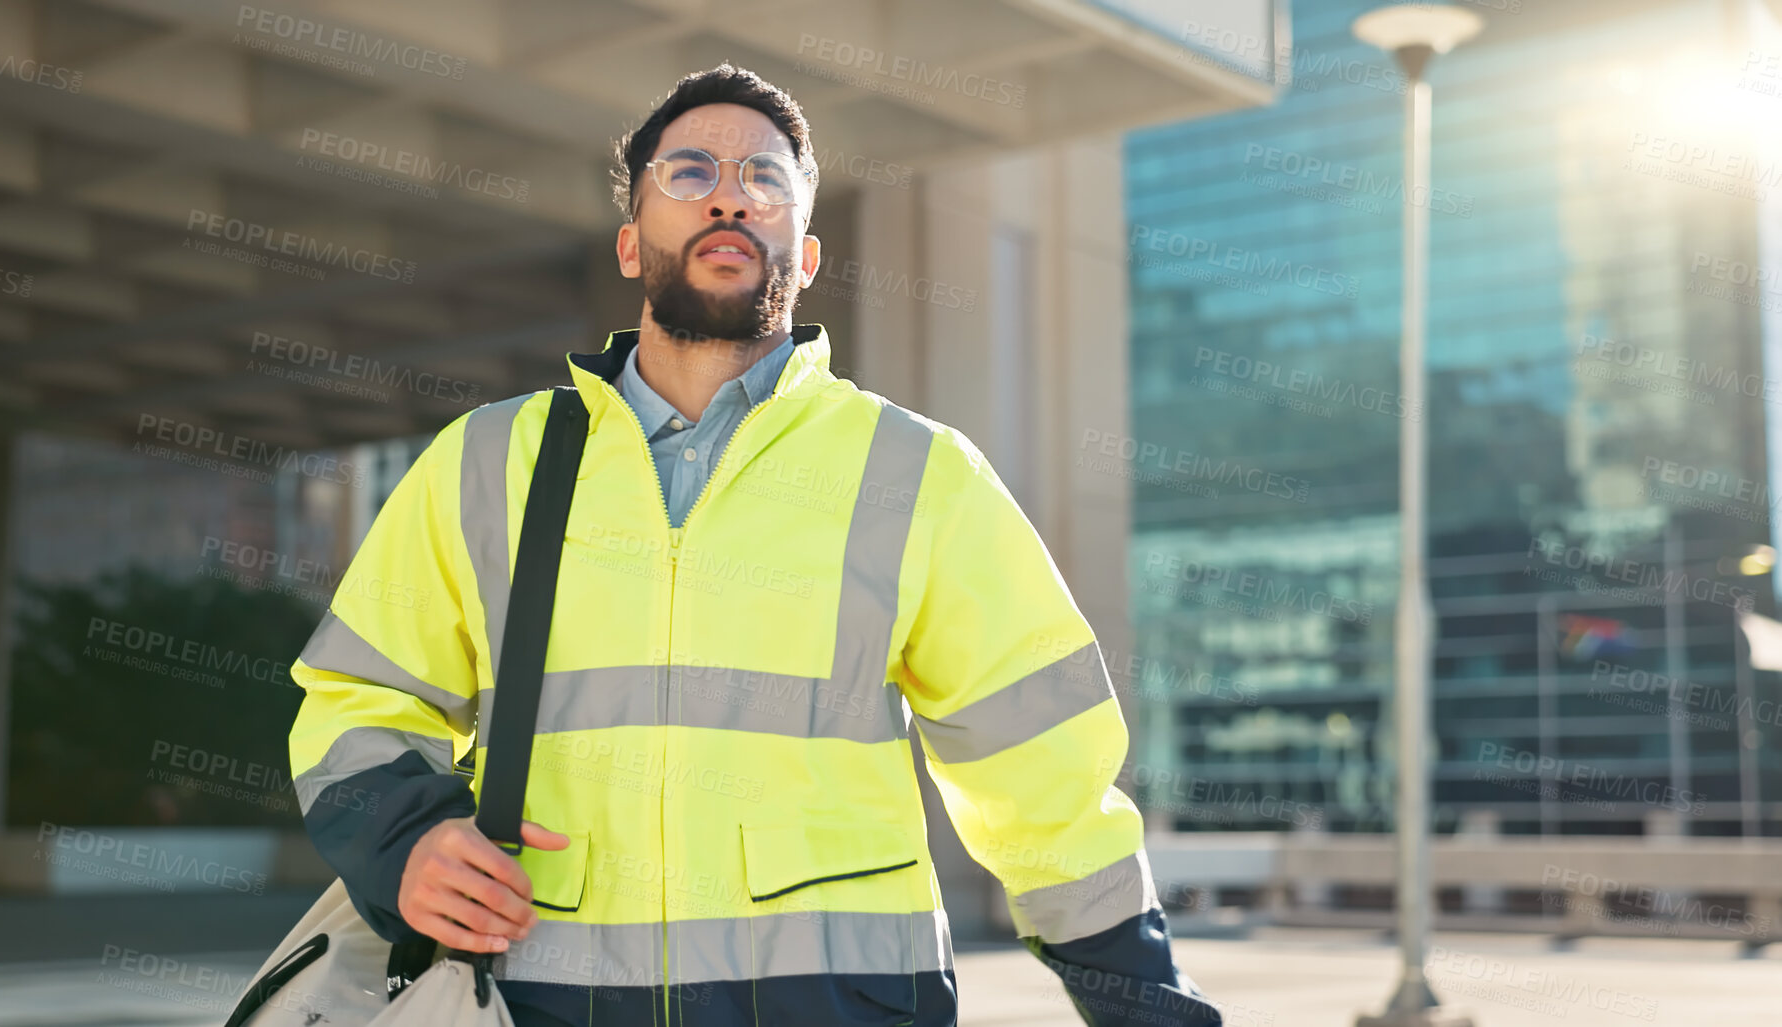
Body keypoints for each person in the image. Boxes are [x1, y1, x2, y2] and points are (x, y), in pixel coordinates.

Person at [286, 62, 1223, 1027]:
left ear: (805, 255)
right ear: (628, 241)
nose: (730, 194)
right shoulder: (484, 463)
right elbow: (359, 694)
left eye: (766, 179)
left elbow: (1045, 774)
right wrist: (404, 841)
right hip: (544, 1001)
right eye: (689, 173)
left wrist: (1149, 1006)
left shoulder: (918, 473)